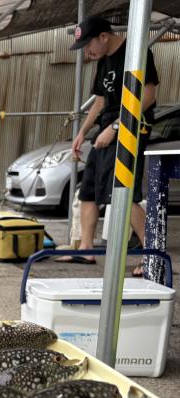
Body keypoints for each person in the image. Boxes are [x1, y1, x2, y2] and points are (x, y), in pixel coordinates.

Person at [57, 15, 159, 275]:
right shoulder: (104, 60)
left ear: (104, 36)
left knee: (122, 193)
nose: (87, 53)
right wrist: (82, 132)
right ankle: (87, 250)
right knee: (88, 191)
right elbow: (100, 100)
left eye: (88, 45)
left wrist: (116, 128)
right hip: (105, 130)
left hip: (130, 130)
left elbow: (147, 96)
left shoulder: (136, 53)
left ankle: (151, 255)